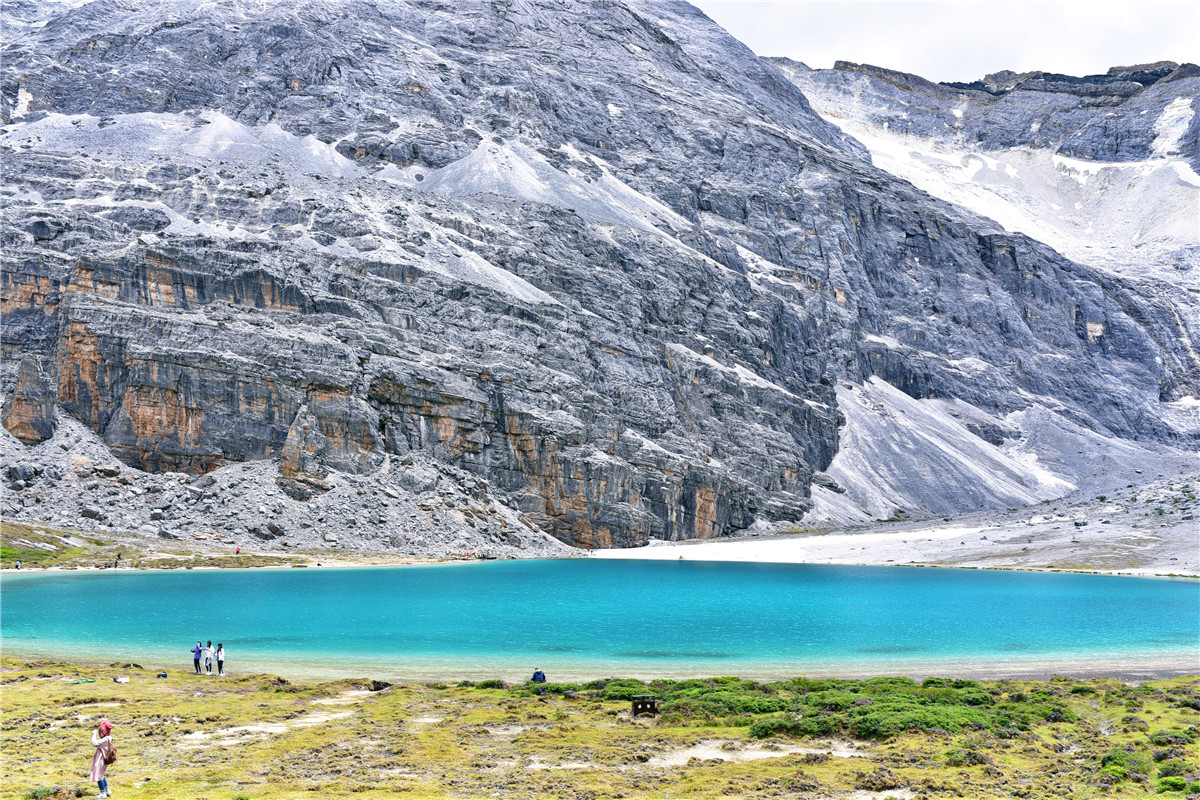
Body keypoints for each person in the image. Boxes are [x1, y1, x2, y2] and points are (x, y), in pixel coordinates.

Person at [90, 719, 114, 798]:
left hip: (100, 761)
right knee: (102, 775)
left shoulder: (104, 740)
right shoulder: (109, 738)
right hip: (105, 760)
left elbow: (94, 743)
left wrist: (94, 734)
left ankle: (102, 793)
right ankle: (107, 790)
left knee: (98, 776)